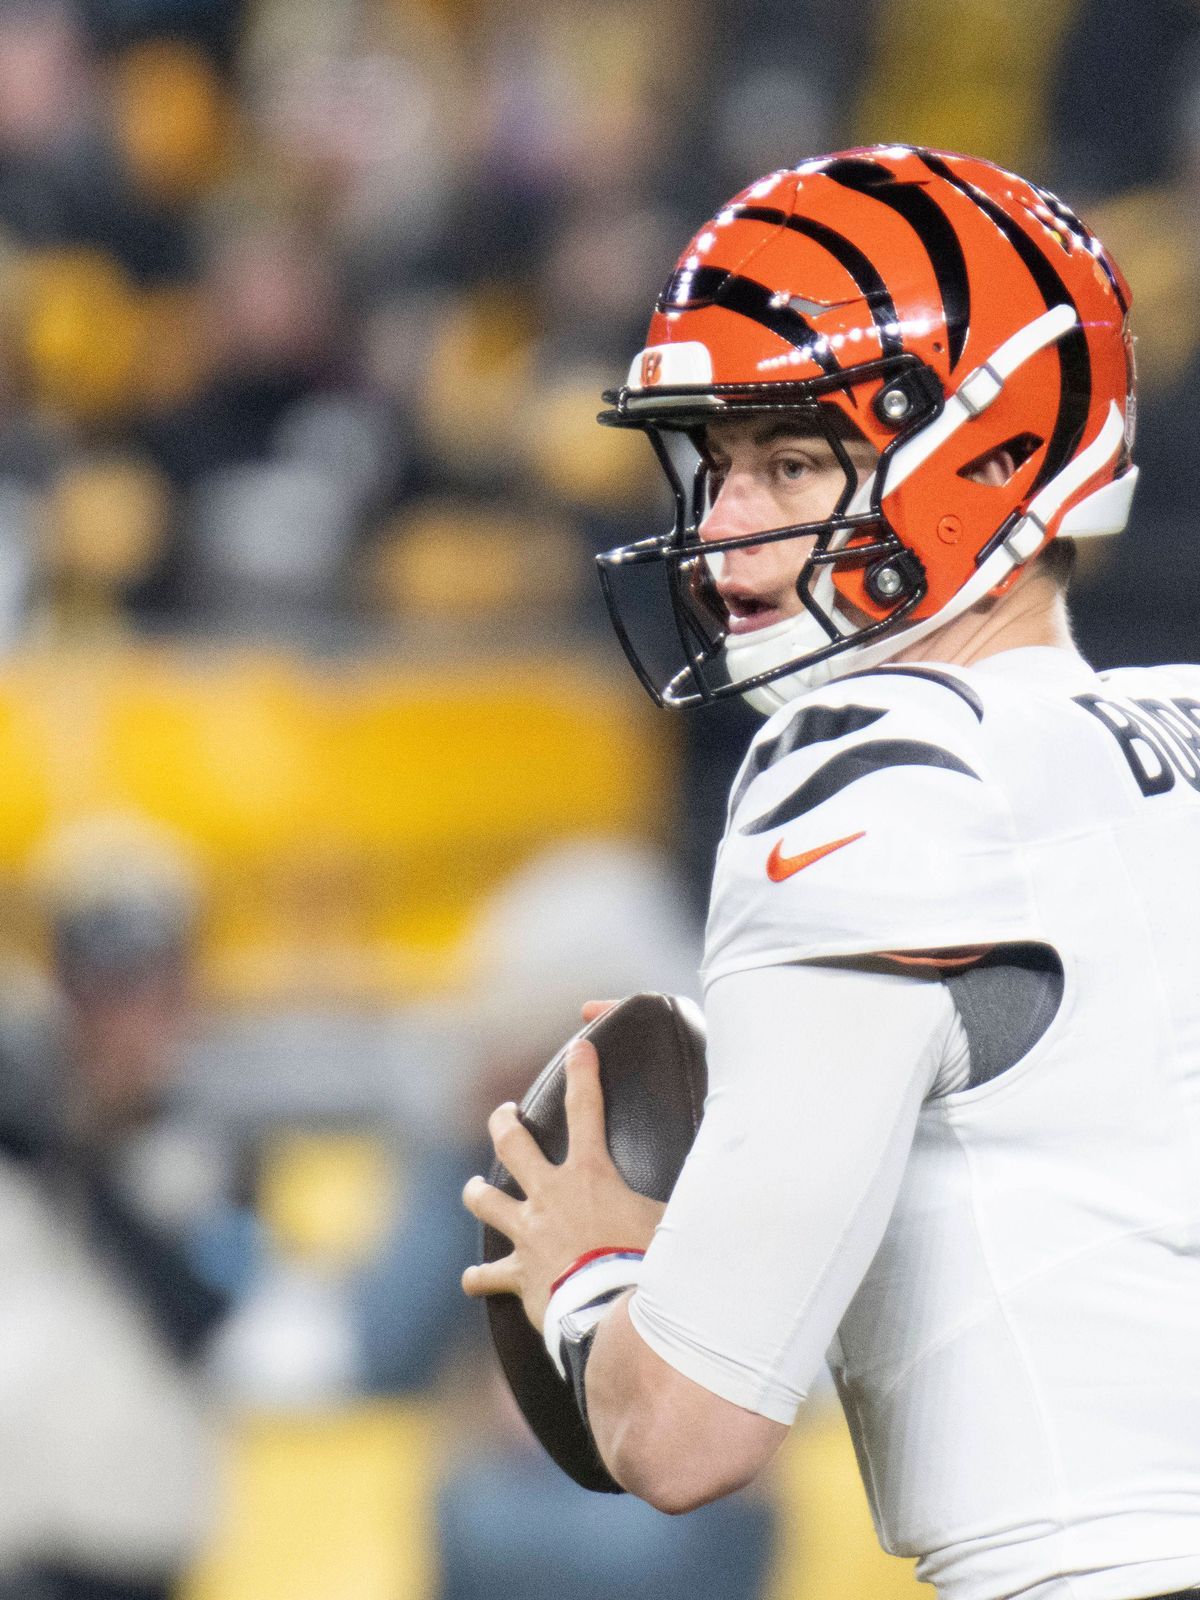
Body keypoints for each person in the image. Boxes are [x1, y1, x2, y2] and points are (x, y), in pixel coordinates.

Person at [460, 145, 1200, 1600]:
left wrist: (590, 1281)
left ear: (990, 454)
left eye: (792, 461)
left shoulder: (875, 768)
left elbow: (684, 1434)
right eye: (718, 464)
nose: (726, 524)